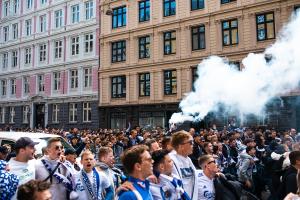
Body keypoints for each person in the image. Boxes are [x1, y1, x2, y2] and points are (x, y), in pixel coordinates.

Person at [169, 130, 198, 199]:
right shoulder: (170, 160)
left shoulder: (188, 159)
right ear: (180, 146)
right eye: (190, 142)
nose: (193, 145)